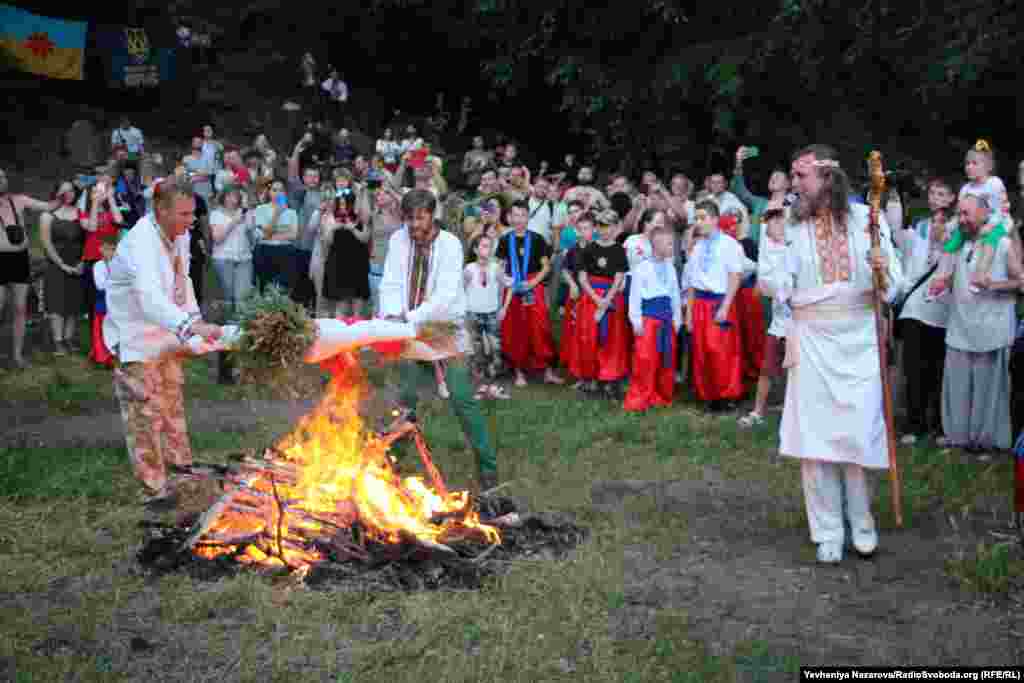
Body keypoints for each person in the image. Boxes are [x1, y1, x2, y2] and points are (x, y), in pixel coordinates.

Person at [758, 144, 903, 564]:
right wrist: (778, 262)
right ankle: (827, 530)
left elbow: (894, 283)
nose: (794, 184)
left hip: (859, 337)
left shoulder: (866, 219)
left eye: (801, 176)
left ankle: (862, 523)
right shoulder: (789, 224)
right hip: (811, 338)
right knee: (816, 437)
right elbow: (770, 280)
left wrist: (883, 270)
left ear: (827, 177)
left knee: (858, 434)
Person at [104, 177, 225, 506]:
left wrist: (195, 324)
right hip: (135, 338)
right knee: (144, 414)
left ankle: (180, 470)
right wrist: (189, 326)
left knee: (172, 404)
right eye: (184, 214)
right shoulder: (140, 242)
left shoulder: (179, 236)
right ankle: (153, 488)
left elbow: (182, 282)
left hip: (166, 334)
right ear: (160, 210)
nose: (191, 220)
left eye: (192, 213)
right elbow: (150, 299)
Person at [378, 189, 499, 490]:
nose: (414, 225)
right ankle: (391, 462)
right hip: (407, 325)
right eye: (409, 219)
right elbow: (390, 282)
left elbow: (445, 295)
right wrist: (391, 316)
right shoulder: (398, 240)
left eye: (420, 218)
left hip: (444, 325)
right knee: (406, 397)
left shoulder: (450, 244)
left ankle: (488, 471)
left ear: (433, 216)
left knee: (461, 397)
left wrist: (410, 318)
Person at [928, 193, 1021, 456]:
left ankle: (986, 442)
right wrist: (942, 283)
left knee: (987, 390)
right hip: (960, 326)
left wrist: (993, 285)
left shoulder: (1002, 243)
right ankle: (957, 437)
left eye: (967, 214)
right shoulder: (959, 244)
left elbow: (1020, 281)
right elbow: (952, 274)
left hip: (992, 328)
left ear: (984, 213)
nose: (962, 219)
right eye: (960, 213)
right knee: (958, 386)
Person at [682, 200, 746, 411]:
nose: (698, 222)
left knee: (721, 349)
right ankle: (707, 394)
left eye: (703, 218)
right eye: (696, 218)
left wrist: (726, 306)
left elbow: (735, 276)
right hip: (700, 303)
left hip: (719, 301)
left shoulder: (729, 245)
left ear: (715, 219)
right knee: (702, 350)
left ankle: (726, 395)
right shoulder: (697, 247)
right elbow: (692, 282)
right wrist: (689, 314)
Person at [495, 200, 565, 387]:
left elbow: (546, 266)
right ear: (510, 218)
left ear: (528, 217)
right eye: (515, 215)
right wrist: (506, 281)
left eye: (523, 215)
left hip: (534, 286)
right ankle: (518, 371)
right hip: (513, 288)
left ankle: (548, 370)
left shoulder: (537, 239)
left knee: (540, 327)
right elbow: (500, 267)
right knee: (515, 329)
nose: (519, 220)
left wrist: (533, 283)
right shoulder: (504, 240)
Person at [738, 208, 791, 427]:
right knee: (767, 367)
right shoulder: (767, 253)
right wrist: (780, 289)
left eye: (779, 221)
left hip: (799, 321)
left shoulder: (795, 248)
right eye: (771, 222)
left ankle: (793, 410)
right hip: (779, 321)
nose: (776, 225)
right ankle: (758, 411)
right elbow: (765, 285)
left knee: (797, 369)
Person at [625, 226, 682, 411]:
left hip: (666, 319)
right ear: (656, 245)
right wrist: (636, 320)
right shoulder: (642, 268)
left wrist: (677, 319)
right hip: (648, 319)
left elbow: (675, 294)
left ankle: (661, 394)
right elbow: (635, 296)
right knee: (645, 359)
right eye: (669, 244)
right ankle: (641, 396)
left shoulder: (670, 267)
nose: (672, 247)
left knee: (666, 358)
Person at [576, 209, 630, 398]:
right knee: (589, 337)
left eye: (608, 226)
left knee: (611, 339)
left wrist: (607, 300)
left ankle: (609, 377)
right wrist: (596, 298)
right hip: (591, 298)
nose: (604, 230)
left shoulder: (619, 250)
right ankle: (590, 377)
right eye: (601, 226)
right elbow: (582, 278)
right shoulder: (589, 249)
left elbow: (619, 277)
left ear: (615, 227)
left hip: (611, 299)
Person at [39, 180, 86, 354]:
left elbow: (87, 240)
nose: (68, 194)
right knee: (57, 304)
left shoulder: (80, 213)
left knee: (74, 304)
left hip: (77, 263)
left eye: (71, 191)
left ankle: (68, 339)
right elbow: (46, 243)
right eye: (64, 191)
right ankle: (58, 341)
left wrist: (82, 261)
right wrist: (61, 264)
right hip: (56, 264)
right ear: (56, 193)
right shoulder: (47, 215)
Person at [464, 234, 507, 398]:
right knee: (477, 351)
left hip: (492, 313)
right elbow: (461, 291)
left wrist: (502, 307)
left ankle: (494, 385)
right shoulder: (469, 269)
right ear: (475, 250)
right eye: (483, 246)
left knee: (496, 349)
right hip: (473, 314)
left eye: (489, 246)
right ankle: (480, 386)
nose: (487, 250)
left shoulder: (496, 268)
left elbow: (503, 287)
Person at [321, 183, 370, 317]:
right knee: (340, 306)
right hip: (338, 264)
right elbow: (327, 241)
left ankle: (357, 326)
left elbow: (365, 238)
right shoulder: (331, 217)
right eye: (340, 204)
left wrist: (352, 228)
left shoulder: (360, 218)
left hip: (357, 264)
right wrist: (332, 229)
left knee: (357, 306)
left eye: (345, 204)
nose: (342, 207)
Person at [208, 185, 254, 315]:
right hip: (223, 259)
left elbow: (251, 231)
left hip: (244, 259)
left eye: (236, 195)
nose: (232, 199)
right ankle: (227, 323)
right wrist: (234, 221)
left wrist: (247, 210)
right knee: (227, 299)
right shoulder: (216, 214)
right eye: (229, 195)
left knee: (243, 299)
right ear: (224, 197)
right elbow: (217, 238)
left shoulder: (245, 213)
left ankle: (241, 324)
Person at [731, 147, 790, 245]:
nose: (773, 178)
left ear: (788, 184)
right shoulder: (760, 203)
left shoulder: (792, 206)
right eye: (772, 176)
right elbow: (739, 190)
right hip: (757, 251)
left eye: (777, 177)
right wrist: (739, 165)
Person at [561, 211, 594, 386]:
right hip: (576, 298)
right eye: (580, 229)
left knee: (590, 336)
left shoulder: (598, 249)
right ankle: (579, 373)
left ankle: (594, 373)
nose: (583, 232)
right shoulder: (573, 250)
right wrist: (572, 284)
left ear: (593, 229)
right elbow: (565, 270)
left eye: (587, 228)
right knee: (576, 336)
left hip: (593, 299)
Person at [251, 178, 299, 293]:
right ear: (269, 192)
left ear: (285, 193)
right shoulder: (260, 209)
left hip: (286, 251)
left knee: (283, 289)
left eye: (281, 190)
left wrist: (270, 234)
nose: (278, 193)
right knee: (265, 289)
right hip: (264, 251)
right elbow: (262, 235)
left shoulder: (291, 212)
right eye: (274, 190)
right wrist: (277, 214)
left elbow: (293, 235)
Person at [89, 234, 117, 367]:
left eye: (113, 249)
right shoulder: (98, 266)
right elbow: (100, 285)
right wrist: (115, 284)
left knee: (115, 330)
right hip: (103, 305)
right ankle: (102, 356)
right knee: (101, 331)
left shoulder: (119, 265)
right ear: (101, 249)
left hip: (117, 306)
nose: (110, 252)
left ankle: (115, 354)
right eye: (106, 249)